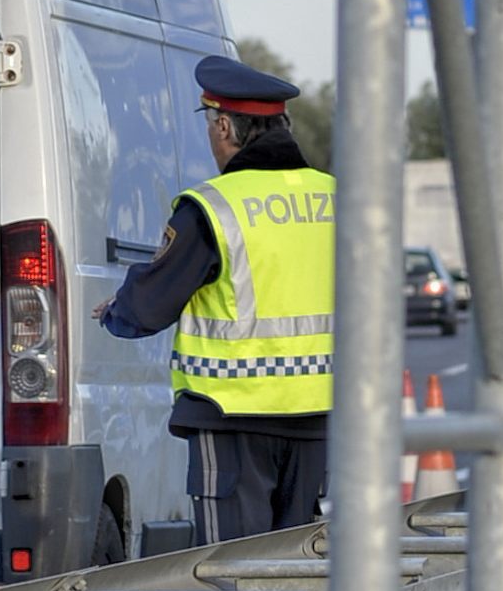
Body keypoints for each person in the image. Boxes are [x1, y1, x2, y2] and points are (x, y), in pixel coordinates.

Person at [94, 55, 335, 544]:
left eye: (210, 124)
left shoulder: (214, 207)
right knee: (299, 566)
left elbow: (148, 308)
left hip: (229, 416)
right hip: (316, 416)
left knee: (236, 575)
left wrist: (115, 310)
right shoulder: (335, 198)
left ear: (225, 126)